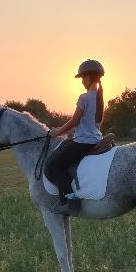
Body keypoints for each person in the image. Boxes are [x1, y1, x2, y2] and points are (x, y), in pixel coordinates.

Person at [46, 59, 105, 216]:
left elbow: (75, 120)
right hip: (95, 139)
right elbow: (91, 122)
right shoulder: (99, 98)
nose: (82, 82)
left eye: (83, 78)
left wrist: (57, 132)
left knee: (54, 165)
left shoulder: (84, 97)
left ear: (89, 77)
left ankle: (71, 202)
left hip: (83, 142)